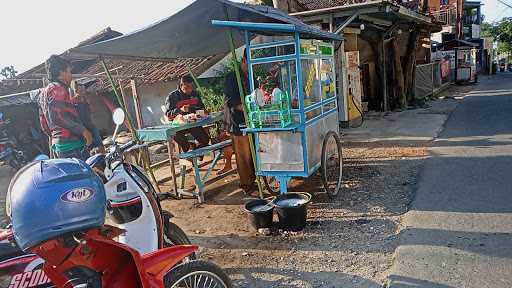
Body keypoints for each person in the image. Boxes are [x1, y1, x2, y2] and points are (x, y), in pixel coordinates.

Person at [39, 55, 92, 160]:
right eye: (69, 72)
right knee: (85, 175)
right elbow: (59, 116)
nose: (71, 76)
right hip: (72, 146)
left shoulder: (42, 94)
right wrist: (83, 130)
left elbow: (44, 123)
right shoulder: (57, 89)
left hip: (59, 147)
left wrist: (55, 137)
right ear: (61, 73)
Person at [223, 54, 256, 192]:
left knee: (252, 152)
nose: (252, 67)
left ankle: (254, 179)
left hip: (250, 119)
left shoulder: (250, 77)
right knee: (243, 154)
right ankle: (246, 185)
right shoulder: (232, 77)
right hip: (236, 121)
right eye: (251, 63)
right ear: (244, 60)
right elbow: (229, 101)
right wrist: (244, 107)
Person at [165, 75, 210, 152]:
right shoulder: (172, 96)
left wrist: (204, 111)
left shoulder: (195, 94)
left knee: (205, 140)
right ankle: (190, 148)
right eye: (187, 87)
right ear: (181, 85)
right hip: (179, 127)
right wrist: (180, 110)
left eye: (191, 86)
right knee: (183, 144)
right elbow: (168, 115)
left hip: (193, 124)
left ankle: (195, 150)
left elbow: (200, 107)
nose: (190, 89)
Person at [74, 82, 105, 154]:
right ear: (76, 91)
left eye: (83, 90)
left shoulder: (86, 100)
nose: (83, 92)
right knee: (89, 149)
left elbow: (91, 111)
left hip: (91, 126)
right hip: (83, 129)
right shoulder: (73, 102)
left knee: (100, 146)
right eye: (81, 90)